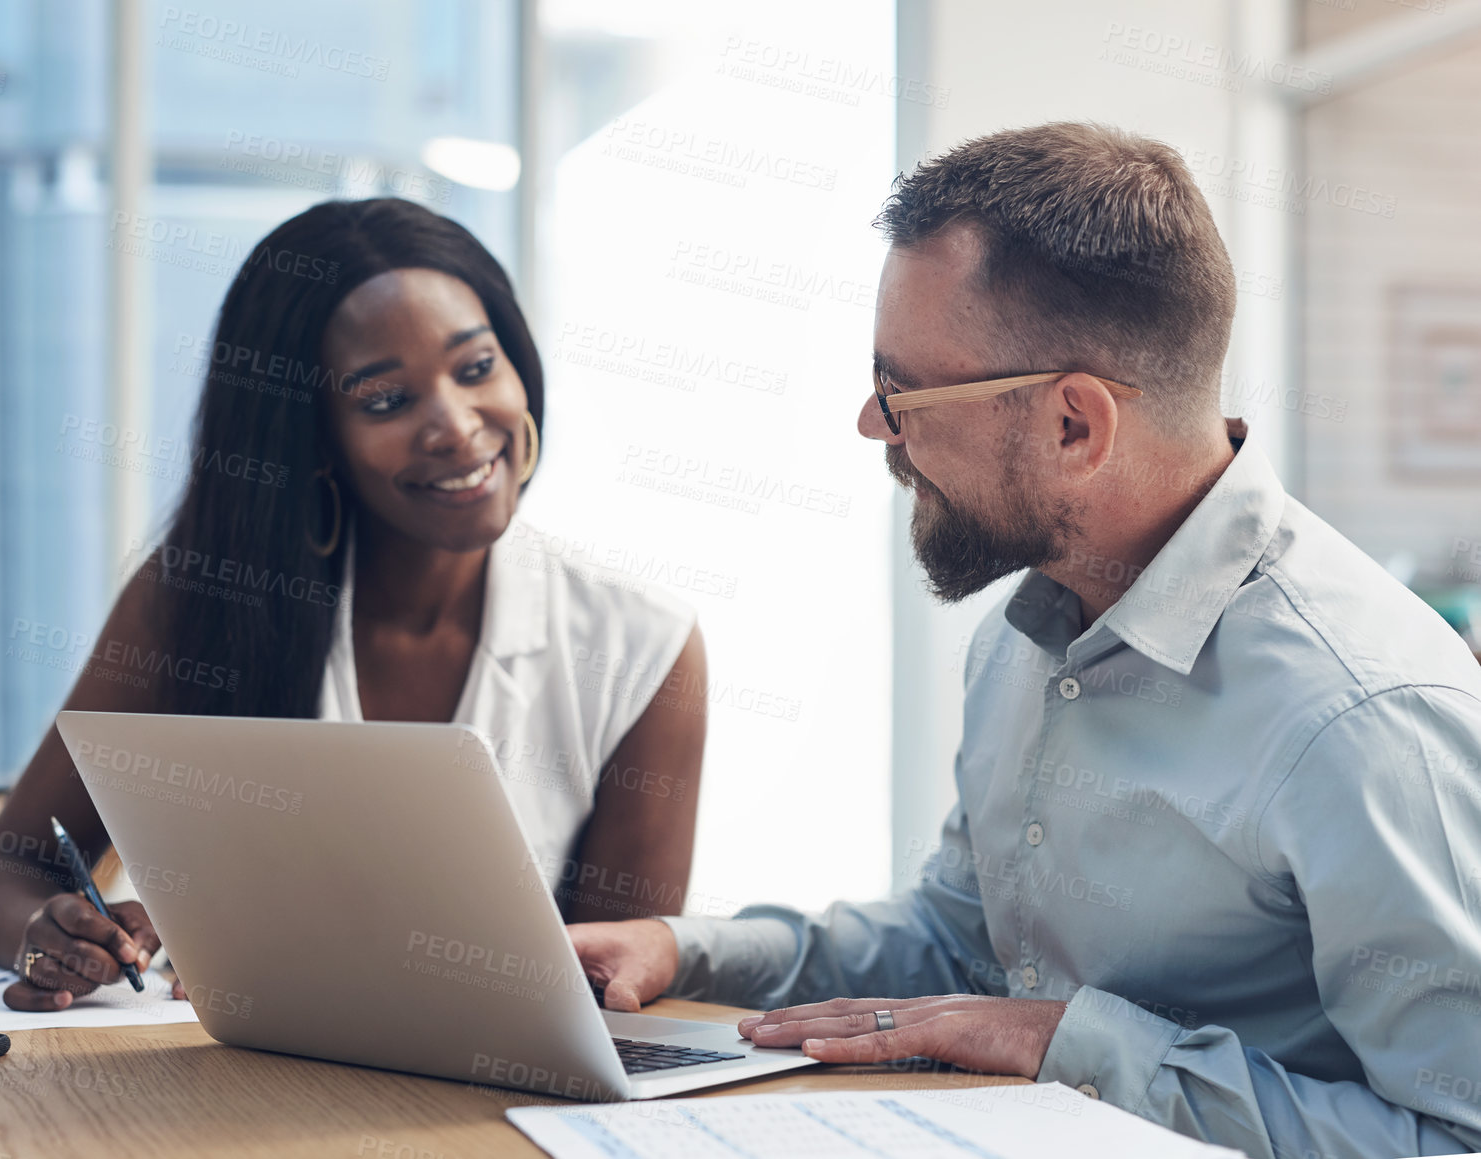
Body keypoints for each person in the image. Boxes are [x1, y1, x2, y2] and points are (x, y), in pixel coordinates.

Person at [568, 123, 1481, 1159]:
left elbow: (1454, 1137)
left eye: (901, 385)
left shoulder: (1366, 719)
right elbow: (958, 946)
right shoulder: (1033, 629)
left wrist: (1072, 1043)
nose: (875, 423)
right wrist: (683, 949)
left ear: (1074, 427)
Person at [0, 198, 707, 1011]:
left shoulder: (642, 646)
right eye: (386, 400)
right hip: (225, 1093)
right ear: (308, 436)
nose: (457, 427)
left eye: (476, 366)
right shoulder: (199, 597)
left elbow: (615, 989)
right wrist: (52, 932)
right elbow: (5, 871)